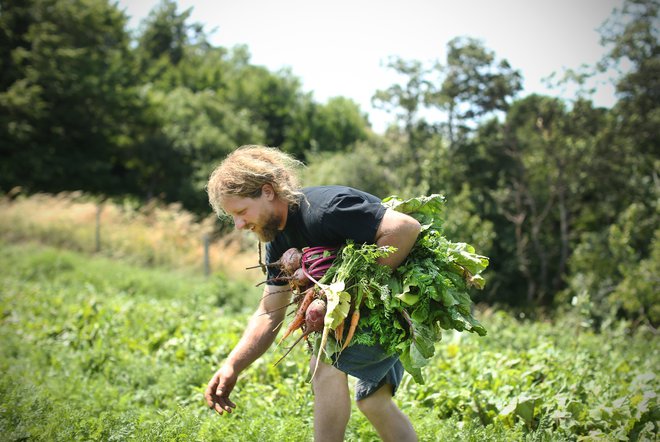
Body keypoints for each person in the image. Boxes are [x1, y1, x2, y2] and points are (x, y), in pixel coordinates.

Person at [204, 145, 420, 442]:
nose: (240, 225)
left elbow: (405, 228)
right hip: (373, 308)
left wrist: (352, 292)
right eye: (234, 217)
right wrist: (233, 365)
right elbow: (269, 314)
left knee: (324, 362)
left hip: (394, 302)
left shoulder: (325, 211)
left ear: (268, 191)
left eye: (241, 212)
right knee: (373, 402)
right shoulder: (277, 241)